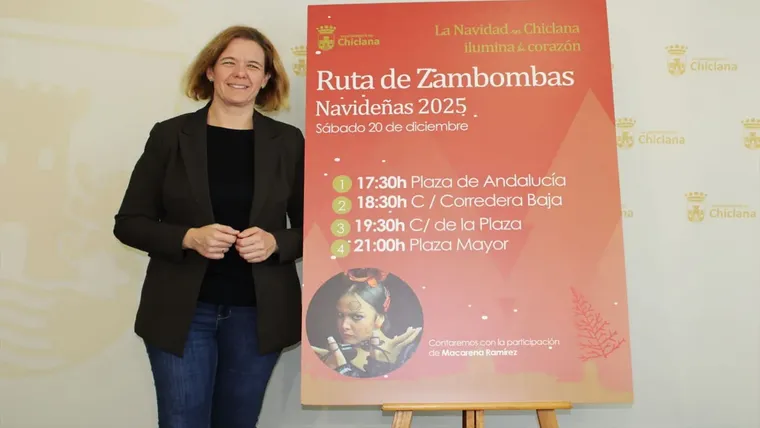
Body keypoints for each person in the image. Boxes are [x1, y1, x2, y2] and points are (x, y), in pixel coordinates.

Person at [113, 25, 304, 428]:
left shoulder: (288, 142)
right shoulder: (170, 136)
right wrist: (187, 237)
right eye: (229, 62)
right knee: (182, 421)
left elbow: (315, 229)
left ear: (266, 79)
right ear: (210, 71)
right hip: (181, 312)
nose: (240, 73)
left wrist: (275, 243)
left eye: (253, 66)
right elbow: (129, 223)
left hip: (258, 314)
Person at [311, 268, 422, 378]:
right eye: (340, 315)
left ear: (379, 318)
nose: (344, 326)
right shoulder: (334, 356)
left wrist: (342, 369)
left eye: (357, 317)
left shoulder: (405, 353)